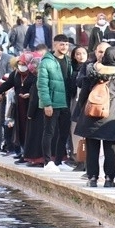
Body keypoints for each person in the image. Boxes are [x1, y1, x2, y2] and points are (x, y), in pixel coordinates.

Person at [73, 46, 115, 187]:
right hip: (111, 116)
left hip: (91, 115)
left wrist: (82, 110)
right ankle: (110, 179)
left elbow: (83, 95)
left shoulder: (92, 72)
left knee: (92, 148)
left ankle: (92, 178)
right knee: (110, 149)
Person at [38, 35, 74, 171]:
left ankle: (59, 161)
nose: (64, 47)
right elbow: (42, 85)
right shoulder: (46, 62)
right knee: (49, 132)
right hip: (52, 103)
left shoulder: (68, 61)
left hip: (65, 102)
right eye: (61, 44)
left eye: (66, 45)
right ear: (55, 45)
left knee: (64, 133)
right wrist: (47, 103)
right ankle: (47, 162)